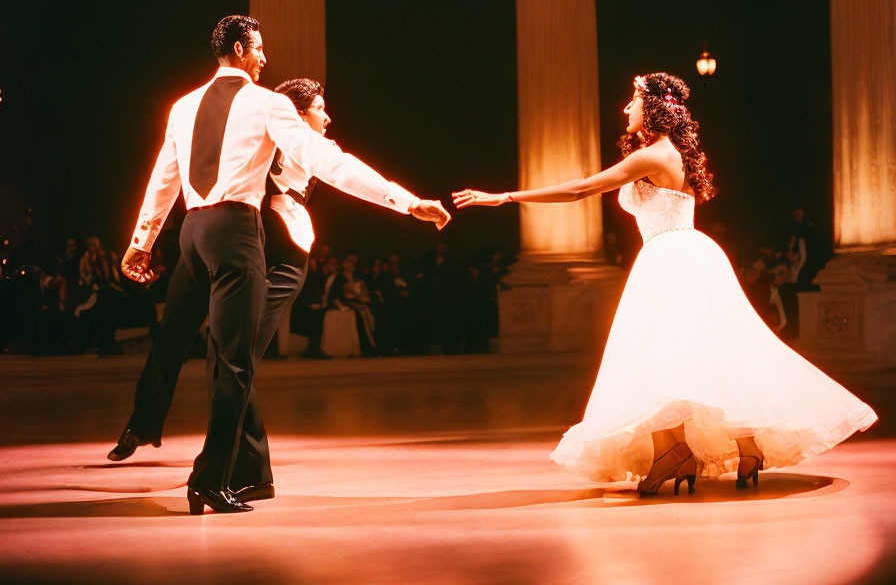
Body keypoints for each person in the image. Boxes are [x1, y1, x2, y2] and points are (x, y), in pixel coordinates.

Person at [453, 72, 878, 495]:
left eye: (632, 100)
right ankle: (737, 447)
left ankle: (673, 452)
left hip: (669, 257)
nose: (626, 108)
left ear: (653, 108)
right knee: (702, 352)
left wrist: (506, 197)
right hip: (689, 253)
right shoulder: (672, 154)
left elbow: (580, 190)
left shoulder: (653, 156)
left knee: (654, 353)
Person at [115, 39, 449, 515]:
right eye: (260, 49)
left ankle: (231, 468)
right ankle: (214, 477)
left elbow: (163, 177)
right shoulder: (268, 105)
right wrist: (407, 202)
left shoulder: (183, 104)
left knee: (216, 353)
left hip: (195, 228)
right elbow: (331, 165)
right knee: (230, 361)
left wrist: (142, 239)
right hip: (239, 233)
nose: (266, 59)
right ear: (240, 48)